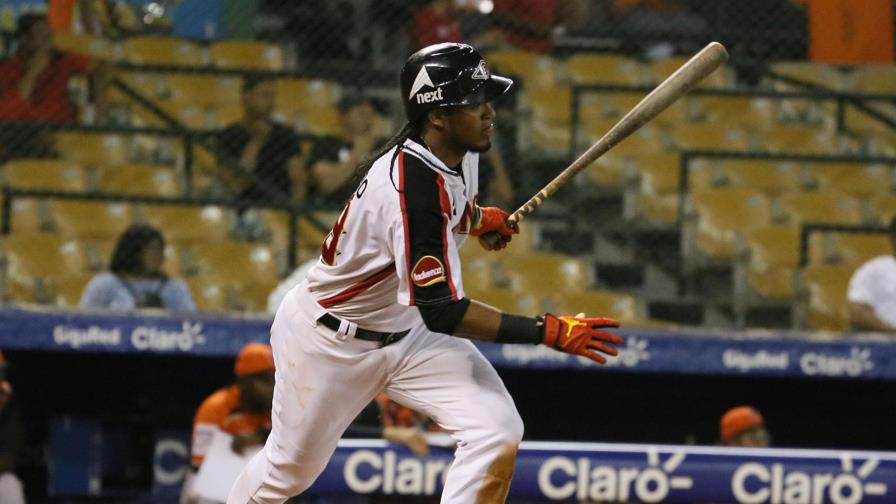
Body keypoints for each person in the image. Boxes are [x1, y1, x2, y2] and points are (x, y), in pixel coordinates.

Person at [227, 42, 623, 504]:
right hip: (333, 343)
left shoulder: (460, 149)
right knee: (289, 472)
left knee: (495, 430)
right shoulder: (407, 186)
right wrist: (546, 330)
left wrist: (477, 220)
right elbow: (443, 311)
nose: (489, 111)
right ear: (437, 114)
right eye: (474, 102)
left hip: (406, 331)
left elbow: (446, 205)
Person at [182, 343, 276, 504]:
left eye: (276, 378)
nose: (274, 387)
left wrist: (258, 438)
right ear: (246, 381)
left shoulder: (276, 406)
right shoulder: (215, 408)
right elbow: (200, 468)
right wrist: (231, 446)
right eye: (267, 380)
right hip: (213, 490)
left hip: (257, 489)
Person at [0, 12, 108, 123]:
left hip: (60, 128)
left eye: (49, 36)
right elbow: (9, 110)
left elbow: (101, 66)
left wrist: (97, 101)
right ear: (25, 39)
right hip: (23, 131)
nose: (47, 43)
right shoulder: (6, 68)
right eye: (42, 36)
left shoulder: (60, 60)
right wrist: (32, 73)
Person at [215, 77, 305, 205]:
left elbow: (298, 181)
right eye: (265, 95)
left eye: (273, 96)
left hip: (280, 207)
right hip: (242, 207)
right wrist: (256, 142)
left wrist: (294, 213)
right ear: (246, 98)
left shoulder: (286, 135)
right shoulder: (228, 135)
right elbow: (234, 187)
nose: (271, 102)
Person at [80, 224, 196, 311]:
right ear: (133, 251)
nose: (158, 255)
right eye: (152, 249)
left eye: (160, 250)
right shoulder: (104, 285)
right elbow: (84, 322)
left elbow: (192, 322)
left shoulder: (174, 287)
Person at [306, 95, 387, 207]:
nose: (368, 118)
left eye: (371, 114)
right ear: (343, 116)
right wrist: (358, 153)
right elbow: (327, 184)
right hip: (332, 211)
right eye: (361, 113)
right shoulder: (327, 144)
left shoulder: (384, 146)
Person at [847, 216, 896, 333]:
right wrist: (891, 331)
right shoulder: (874, 270)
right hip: (883, 344)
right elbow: (856, 311)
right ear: (892, 238)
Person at [0, 351, 26, 504]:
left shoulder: (7, 401)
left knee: (11, 488)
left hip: (1, 474)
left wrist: (3, 406)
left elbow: (12, 449)